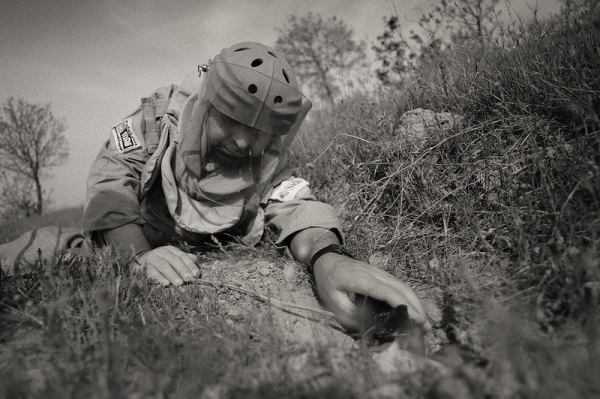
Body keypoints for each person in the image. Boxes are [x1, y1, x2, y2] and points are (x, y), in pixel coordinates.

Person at [1, 42, 428, 334]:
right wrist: (138, 255)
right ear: (208, 102)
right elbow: (111, 176)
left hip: (206, 244)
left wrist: (328, 257)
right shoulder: (150, 118)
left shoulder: (269, 156)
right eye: (233, 121)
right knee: (47, 247)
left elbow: (295, 201)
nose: (245, 142)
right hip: (139, 232)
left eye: (259, 130)